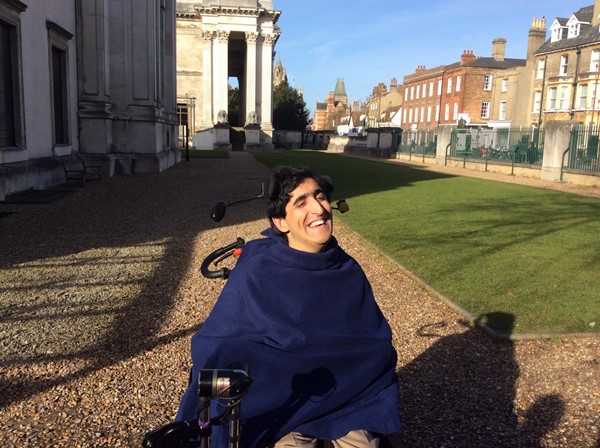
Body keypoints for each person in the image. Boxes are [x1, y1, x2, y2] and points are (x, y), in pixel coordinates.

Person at [176, 165, 401, 448]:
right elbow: (219, 341)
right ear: (280, 221)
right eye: (302, 202)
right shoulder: (257, 269)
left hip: (347, 399)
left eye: (319, 197)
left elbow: (372, 344)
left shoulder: (347, 269)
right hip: (283, 403)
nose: (318, 209)